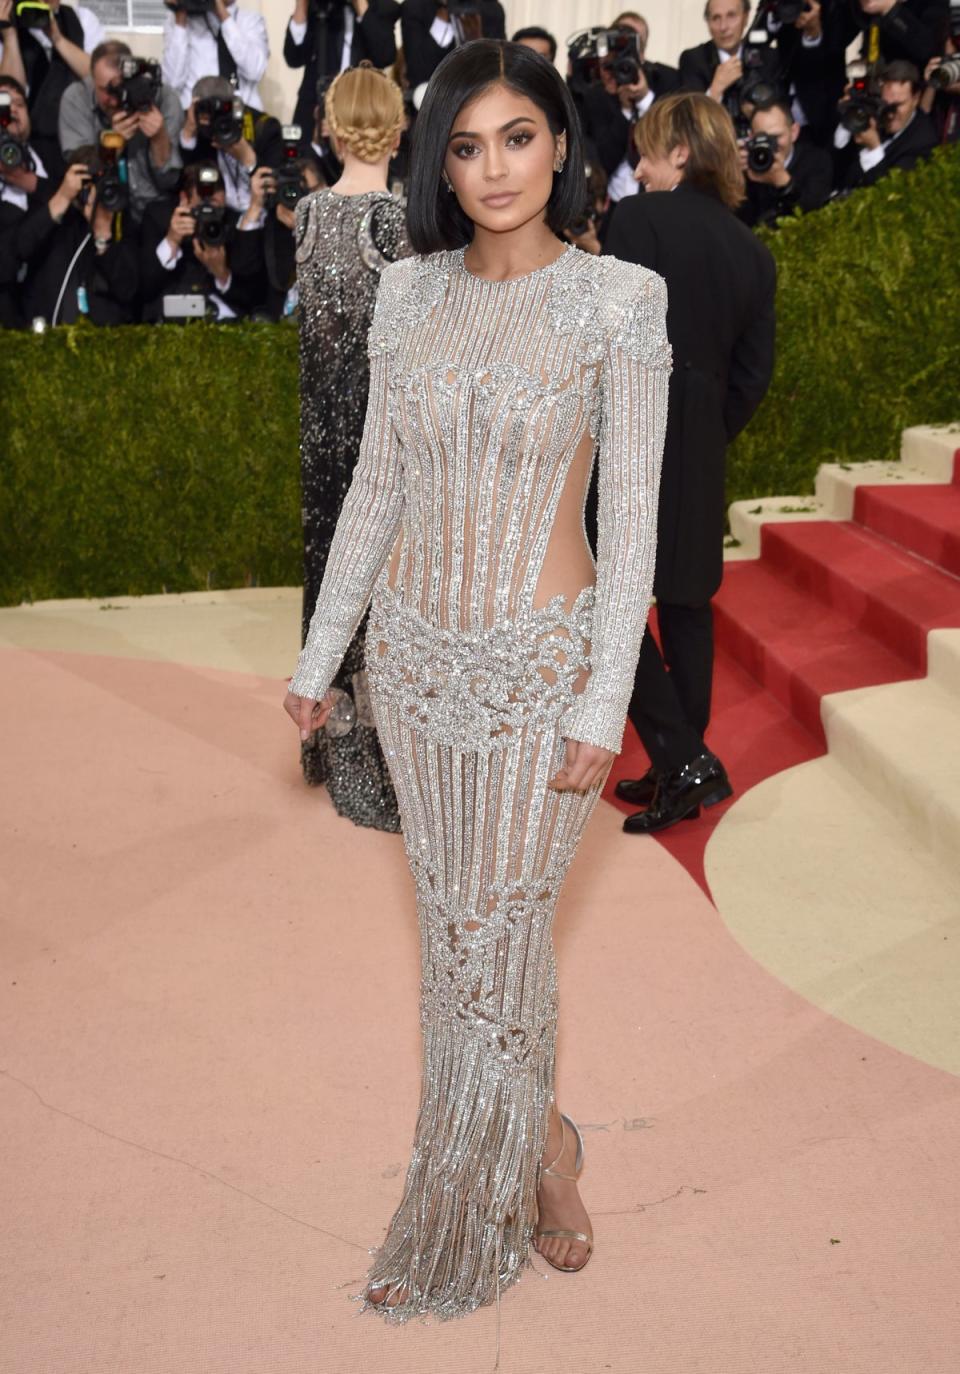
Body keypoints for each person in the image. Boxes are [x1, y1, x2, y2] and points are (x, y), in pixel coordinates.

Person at [283, 39, 669, 1321]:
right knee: (461, 945)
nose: (492, 168)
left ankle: (474, 1184)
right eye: (465, 144)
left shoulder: (623, 302)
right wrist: (321, 656)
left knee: (494, 933)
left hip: (542, 669)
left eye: (517, 137)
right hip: (415, 669)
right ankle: (542, 1141)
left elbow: (636, 526)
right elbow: (376, 490)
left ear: (561, 144)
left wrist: (602, 701)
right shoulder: (409, 297)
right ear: (438, 161)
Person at [604, 92, 775, 834]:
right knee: (686, 607)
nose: (637, 167)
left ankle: (681, 759)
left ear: (680, 150)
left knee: (602, 603)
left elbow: (609, 337)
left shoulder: (635, 221)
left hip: (634, 430)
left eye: (646, 151)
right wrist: (705, 427)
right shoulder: (753, 251)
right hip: (702, 438)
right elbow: (753, 377)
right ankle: (685, 763)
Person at [292, 62, 409, 827]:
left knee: (330, 575)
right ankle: (372, 768)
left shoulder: (305, 212)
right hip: (381, 435)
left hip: (317, 435)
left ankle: (324, 744)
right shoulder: (397, 222)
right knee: (379, 588)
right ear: (399, 131)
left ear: (330, 130)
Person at [58, 40, 183, 225]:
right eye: (105, 90)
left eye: (119, 87)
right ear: (92, 79)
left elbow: (170, 182)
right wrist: (111, 144)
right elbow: (79, 175)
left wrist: (159, 138)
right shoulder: (77, 98)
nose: (113, 100)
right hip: (100, 209)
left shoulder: (163, 98)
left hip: (155, 212)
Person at [581, 12, 680, 209]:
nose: (613, 72)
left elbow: (674, 144)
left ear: (641, 54)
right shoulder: (595, 97)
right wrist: (626, 110)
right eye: (607, 65)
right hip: (614, 206)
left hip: (661, 203)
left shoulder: (668, 80)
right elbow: (603, 162)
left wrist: (644, 99)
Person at [0, 0, 104, 176]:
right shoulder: (7, 25)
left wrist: (57, 39)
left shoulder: (81, 19)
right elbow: (10, 94)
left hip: (79, 141)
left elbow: (101, 79)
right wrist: (10, 37)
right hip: (25, 148)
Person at [283, 0, 400, 136]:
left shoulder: (383, 7)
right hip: (314, 110)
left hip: (361, 113)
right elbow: (293, 58)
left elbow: (385, 56)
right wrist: (301, 6)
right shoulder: (317, 6)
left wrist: (361, 6)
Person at [178, 74, 283, 213]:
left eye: (223, 110)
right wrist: (188, 132)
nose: (216, 120)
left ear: (235, 105)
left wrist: (248, 159)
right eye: (207, 110)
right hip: (219, 216)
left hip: (259, 213)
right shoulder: (200, 131)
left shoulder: (264, 128)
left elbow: (275, 192)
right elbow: (181, 183)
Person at [841, 58, 938, 186]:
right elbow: (837, 167)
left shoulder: (924, 141)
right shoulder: (875, 114)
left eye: (898, 105)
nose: (891, 113)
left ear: (916, 99)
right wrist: (848, 113)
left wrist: (874, 149)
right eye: (886, 104)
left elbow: (892, 192)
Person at [738, 94, 832, 225]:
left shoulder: (817, 161)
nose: (771, 145)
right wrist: (734, 177)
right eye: (763, 137)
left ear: (794, 132)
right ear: (751, 137)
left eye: (776, 137)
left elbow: (814, 216)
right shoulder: (748, 165)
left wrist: (783, 183)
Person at [161, 0, 269, 114]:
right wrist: (180, 15)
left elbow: (255, 71)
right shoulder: (176, 22)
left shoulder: (250, 20)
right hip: (196, 117)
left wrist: (223, 16)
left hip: (242, 114)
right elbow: (172, 84)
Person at [679, 0, 782, 119]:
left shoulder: (768, 57)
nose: (723, 27)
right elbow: (689, 121)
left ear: (746, 17)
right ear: (708, 23)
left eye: (731, 16)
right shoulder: (694, 60)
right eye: (716, 18)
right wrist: (715, 91)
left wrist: (759, 113)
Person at [400, 0, 506, 90]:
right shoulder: (416, 7)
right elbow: (418, 70)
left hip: (481, 93)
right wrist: (442, 21)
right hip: (431, 95)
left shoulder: (491, 10)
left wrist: (477, 42)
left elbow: (499, 67)